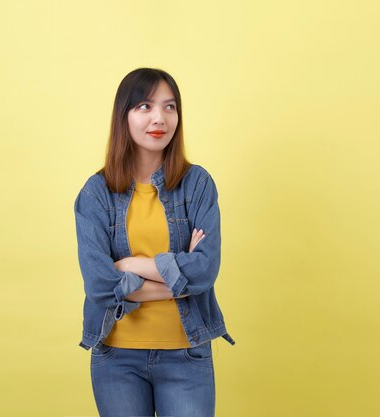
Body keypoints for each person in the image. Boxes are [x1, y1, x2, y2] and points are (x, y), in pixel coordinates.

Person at [73, 67, 235, 417]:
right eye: (145, 106)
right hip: (117, 358)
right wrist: (180, 279)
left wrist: (130, 267)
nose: (159, 118)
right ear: (124, 117)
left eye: (170, 106)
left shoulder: (198, 185)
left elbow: (205, 270)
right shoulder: (96, 193)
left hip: (186, 356)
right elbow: (100, 284)